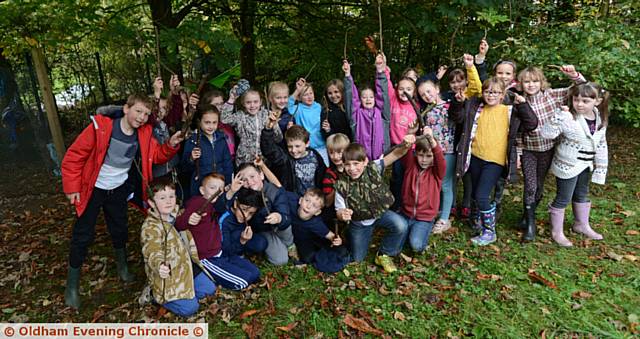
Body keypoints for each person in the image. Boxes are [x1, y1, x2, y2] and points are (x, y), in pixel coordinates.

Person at [61, 93, 183, 309]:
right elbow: (74, 157)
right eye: (138, 111)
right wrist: (72, 188)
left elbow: (156, 155)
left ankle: (122, 266)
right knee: (83, 234)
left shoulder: (144, 133)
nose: (142, 117)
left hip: (118, 189)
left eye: (146, 114)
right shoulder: (101, 128)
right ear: (126, 109)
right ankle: (72, 285)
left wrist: (171, 145)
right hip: (93, 189)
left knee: (119, 228)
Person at [450, 77, 537, 246]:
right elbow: (457, 118)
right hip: (475, 157)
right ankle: (479, 222)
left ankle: (490, 231)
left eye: (495, 92)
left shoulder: (509, 110)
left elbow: (532, 124)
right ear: (483, 93)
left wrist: (523, 104)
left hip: (495, 161)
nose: (491, 95)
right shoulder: (475, 106)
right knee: (475, 193)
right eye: (488, 92)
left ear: (502, 94)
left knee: (482, 196)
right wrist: (458, 103)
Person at [516, 65, 587, 241]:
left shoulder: (551, 95)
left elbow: (581, 88)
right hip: (528, 150)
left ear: (541, 82)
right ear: (521, 84)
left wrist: (574, 75)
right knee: (530, 185)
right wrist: (518, 152)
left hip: (548, 149)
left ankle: (528, 216)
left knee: (539, 185)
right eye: (526, 82)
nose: (531, 85)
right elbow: (515, 131)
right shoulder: (519, 101)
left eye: (534, 81)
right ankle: (530, 226)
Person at [334, 134, 415, 273]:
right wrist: (343, 214)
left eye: (356, 164)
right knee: (357, 258)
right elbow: (339, 210)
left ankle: (384, 253)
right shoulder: (341, 185)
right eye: (347, 164)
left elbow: (396, 154)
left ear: (365, 162)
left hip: (379, 213)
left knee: (401, 225)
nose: (352, 169)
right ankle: (350, 235)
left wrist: (406, 144)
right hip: (359, 222)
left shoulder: (374, 167)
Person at [541, 82, 608, 247]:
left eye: (585, 101)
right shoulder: (568, 117)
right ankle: (557, 231)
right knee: (564, 197)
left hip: (586, 164)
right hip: (568, 165)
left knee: (582, 194)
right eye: (576, 100)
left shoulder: (599, 118)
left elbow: (601, 144)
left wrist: (600, 167)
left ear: (597, 102)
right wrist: (557, 117)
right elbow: (547, 133)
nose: (579, 104)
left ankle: (581, 225)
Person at [141, 178, 216, 317]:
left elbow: (186, 223)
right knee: (190, 308)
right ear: (151, 203)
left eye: (171, 196)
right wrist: (159, 265)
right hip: (169, 274)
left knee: (209, 290)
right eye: (162, 198)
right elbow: (151, 250)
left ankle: (186, 290)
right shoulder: (150, 228)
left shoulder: (177, 214)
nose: (168, 201)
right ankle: (155, 295)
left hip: (186, 266)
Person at [176, 173, 260, 290]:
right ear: (202, 190)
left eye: (219, 189)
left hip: (221, 253)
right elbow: (178, 224)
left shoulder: (216, 206)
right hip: (207, 257)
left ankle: (226, 273)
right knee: (242, 282)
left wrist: (231, 191)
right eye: (212, 188)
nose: (216, 191)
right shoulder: (198, 203)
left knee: (255, 273)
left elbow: (222, 204)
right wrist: (188, 219)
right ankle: (214, 277)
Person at [226, 163, 293, 266]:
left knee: (286, 223)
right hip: (263, 230)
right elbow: (226, 207)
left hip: (279, 227)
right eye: (244, 180)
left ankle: (289, 245)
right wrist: (231, 191)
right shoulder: (241, 194)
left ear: (261, 175)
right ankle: (279, 247)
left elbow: (286, 217)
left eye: (252, 176)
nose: (249, 182)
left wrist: (279, 218)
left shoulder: (274, 191)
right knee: (281, 260)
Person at [399, 127, 446, 252]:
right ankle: (409, 230)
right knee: (399, 244)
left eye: (428, 156)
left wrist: (431, 140)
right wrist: (409, 134)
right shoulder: (411, 165)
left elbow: (440, 158)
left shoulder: (437, 172)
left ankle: (424, 232)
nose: (424, 160)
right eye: (420, 155)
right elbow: (406, 150)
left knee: (415, 245)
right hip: (406, 214)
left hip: (424, 218)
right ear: (416, 154)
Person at [288, 188, 350, 273]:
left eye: (314, 205)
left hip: (302, 239)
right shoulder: (290, 201)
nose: (308, 206)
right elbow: (278, 190)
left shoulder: (315, 222)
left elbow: (331, 236)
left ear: (317, 212)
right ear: (300, 200)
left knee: (308, 257)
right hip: (284, 234)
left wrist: (337, 240)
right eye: (307, 201)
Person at [261, 122, 326, 197]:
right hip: (292, 199)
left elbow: (322, 175)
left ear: (307, 143)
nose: (294, 150)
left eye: (297, 146)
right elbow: (269, 150)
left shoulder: (315, 156)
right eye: (290, 146)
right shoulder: (285, 158)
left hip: (312, 199)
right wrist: (268, 130)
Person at [222, 86, 283, 166]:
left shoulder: (266, 115)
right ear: (243, 103)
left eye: (255, 102)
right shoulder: (240, 116)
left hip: (264, 161)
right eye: (248, 102)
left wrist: (273, 125)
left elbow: (278, 138)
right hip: (244, 161)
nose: (252, 105)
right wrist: (232, 99)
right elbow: (224, 119)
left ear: (260, 102)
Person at [343, 59, 390, 160]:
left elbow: (383, 95)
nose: (368, 99)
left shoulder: (382, 114)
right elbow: (351, 98)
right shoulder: (356, 115)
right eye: (364, 97)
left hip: (381, 158)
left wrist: (380, 72)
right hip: (361, 159)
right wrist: (347, 75)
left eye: (371, 97)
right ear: (360, 100)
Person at [182, 105, 233, 197]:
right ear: (199, 122)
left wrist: (228, 181)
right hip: (201, 185)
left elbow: (227, 162)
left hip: (220, 182)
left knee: (219, 207)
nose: (211, 126)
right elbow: (184, 168)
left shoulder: (221, 138)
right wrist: (191, 158)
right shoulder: (193, 140)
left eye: (214, 123)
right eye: (207, 122)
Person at [220, 187, 269, 257]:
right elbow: (224, 250)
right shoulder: (224, 220)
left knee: (261, 242)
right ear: (235, 204)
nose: (246, 216)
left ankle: (243, 252)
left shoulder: (250, 215)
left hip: (242, 236)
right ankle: (238, 254)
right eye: (244, 209)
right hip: (229, 243)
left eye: (251, 213)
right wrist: (242, 241)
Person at [289, 78, 328, 165]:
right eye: (305, 95)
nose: (309, 96)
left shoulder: (318, 107)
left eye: (311, 93)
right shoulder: (298, 108)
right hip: (306, 148)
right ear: (299, 98)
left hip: (321, 145)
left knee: (325, 168)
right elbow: (287, 105)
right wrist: (297, 91)